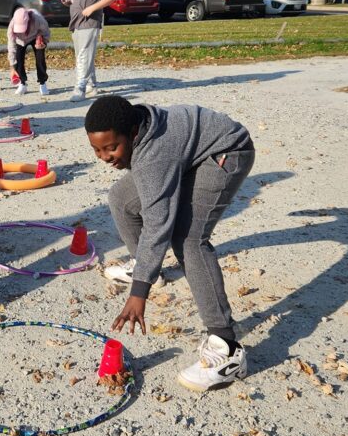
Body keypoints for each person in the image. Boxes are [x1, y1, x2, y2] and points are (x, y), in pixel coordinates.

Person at [84, 94, 255, 392]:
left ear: (133, 133)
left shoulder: (154, 156)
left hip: (227, 151)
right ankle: (147, 268)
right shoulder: (140, 133)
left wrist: (139, 293)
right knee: (121, 199)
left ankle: (226, 349)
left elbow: (157, 224)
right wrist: (146, 272)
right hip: (189, 155)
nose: (105, 157)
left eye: (111, 147)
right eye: (97, 149)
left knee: (188, 240)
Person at [64, 0, 114, 102]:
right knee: (83, 55)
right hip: (75, 23)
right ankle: (91, 86)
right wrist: (68, 1)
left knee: (84, 55)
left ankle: (80, 88)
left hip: (90, 22)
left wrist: (92, 8)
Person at [6, 6, 51, 97]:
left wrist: (44, 42)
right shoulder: (11, 26)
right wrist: (12, 66)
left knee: (40, 59)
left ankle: (42, 83)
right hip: (20, 41)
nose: (21, 31)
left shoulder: (38, 19)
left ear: (29, 20)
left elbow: (46, 32)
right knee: (18, 59)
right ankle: (22, 83)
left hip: (36, 37)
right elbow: (11, 47)